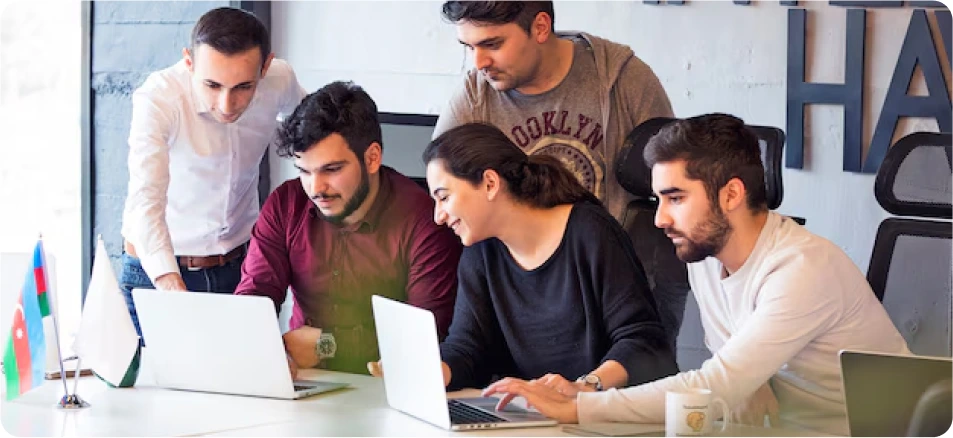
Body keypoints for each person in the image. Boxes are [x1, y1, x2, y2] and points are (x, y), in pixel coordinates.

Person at [483, 114, 909, 435]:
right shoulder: (705, 257)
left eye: (676, 198)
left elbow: (714, 384)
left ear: (732, 194)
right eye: (658, 200)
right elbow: (728, 376)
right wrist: (746, 385)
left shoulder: (801, 269)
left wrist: (578, 406)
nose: (660, 219)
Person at [434, 1, 688, 352]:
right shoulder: (475, 96)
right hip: (529, 300)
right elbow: (444, 188)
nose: (479, 63)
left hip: (623, 294)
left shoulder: (621, 78)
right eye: (469, 47)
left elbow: (675, 186)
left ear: (540, 27)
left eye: (492, 44)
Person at [393, 122, 677, 393]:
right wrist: (433, 370)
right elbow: (467, 348)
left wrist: (584, 387)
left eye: (444, 197)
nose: (438, 216)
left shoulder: (590, 232)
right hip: (531, 415)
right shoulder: (480, 251)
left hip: (604, 412)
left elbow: (643, 341)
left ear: (490, 183)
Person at [235, 81, 462, 375]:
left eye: (331, 170)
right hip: (305, 378)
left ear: (372, 158)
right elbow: (253, 301)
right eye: (304, 171)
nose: (316, 188)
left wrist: (327, 345)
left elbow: (423, 337)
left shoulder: (424, 221)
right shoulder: (285, 204)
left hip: (384, 382)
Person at [119, 7, 307, 339]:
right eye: (212, 85)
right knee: (160, 373)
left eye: (244, 86)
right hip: (158, 271)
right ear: (189, 62)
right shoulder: (159, 98)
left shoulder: (280, 79)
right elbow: (145, 200)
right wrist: (171, 287)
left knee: (245, 372)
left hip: (239, 267)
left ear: (265, 66)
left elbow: (312, 132)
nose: (226, 104)